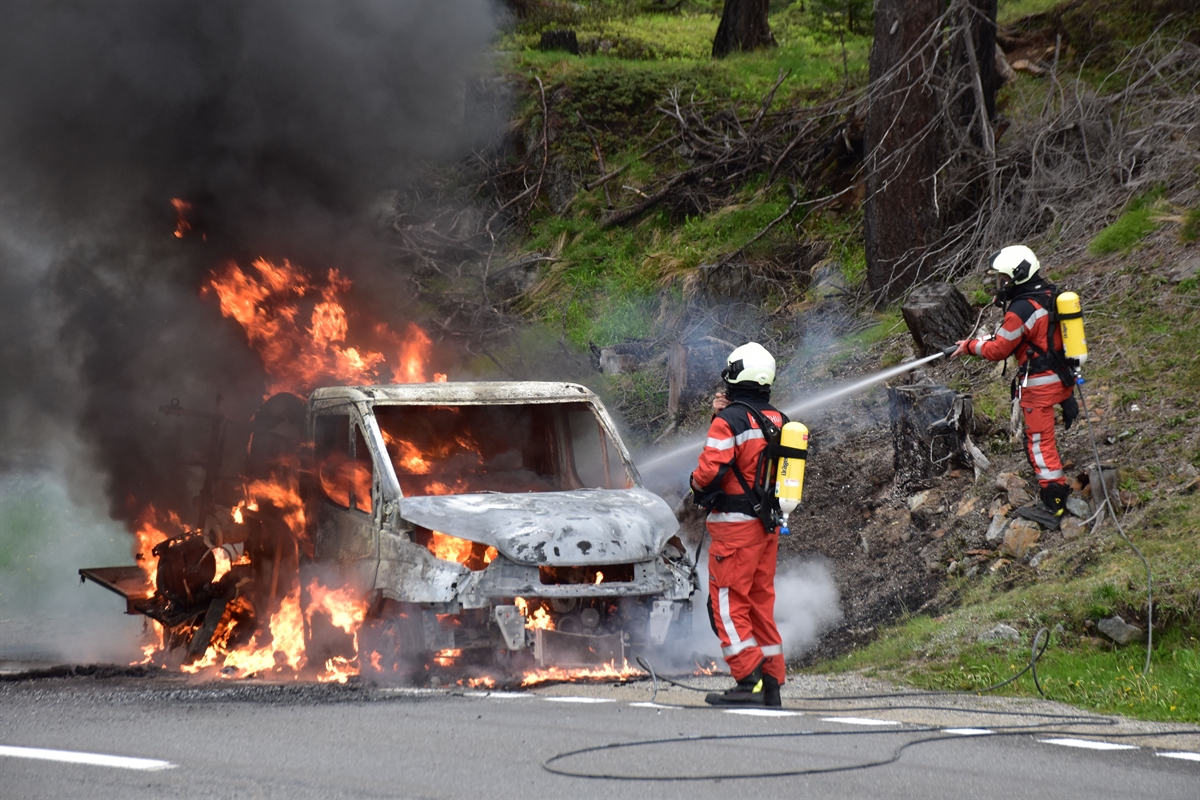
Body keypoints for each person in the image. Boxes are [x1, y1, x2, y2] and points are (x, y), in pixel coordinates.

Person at [951, 245, 1078, 525]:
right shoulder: (1049, 293)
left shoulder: (1021, 308)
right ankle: (1053, 492)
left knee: (1038, 443)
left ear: (1018, 276)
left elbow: (999, 350)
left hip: (1040, 385)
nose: (1001, 285)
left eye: (1004, 279)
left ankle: (1054, 502)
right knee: (1042, 440)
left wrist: (971, 346)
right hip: (1061, 378)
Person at [690, 342, 786, 707]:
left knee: (728, 604)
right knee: (760, 602)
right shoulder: (779, 420)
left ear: (735, 375)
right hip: (768, 525)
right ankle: (772, 682)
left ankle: (748, 680)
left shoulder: (729, 421)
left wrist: (695, 485)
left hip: (735, 528)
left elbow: (709, 470)